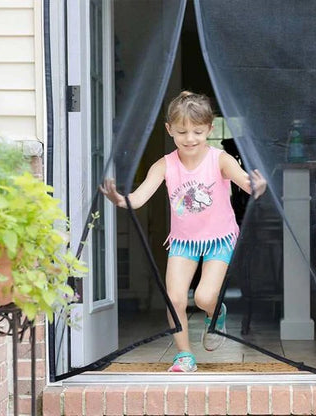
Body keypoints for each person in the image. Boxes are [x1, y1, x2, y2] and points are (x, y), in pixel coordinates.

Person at [100, 91, 267, 372]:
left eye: (198, 132)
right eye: (182, 132)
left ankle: (217, 312)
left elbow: (246, 183)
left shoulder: (221, 159)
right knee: (175, 297)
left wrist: (257, 187)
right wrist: (120, 199)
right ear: (169, 130)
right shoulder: (165, 165)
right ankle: (184, 355)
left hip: (219, 239)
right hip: (183, 242)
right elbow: (139, 198)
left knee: (203, 297)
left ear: (210, 129)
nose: (190, 138)